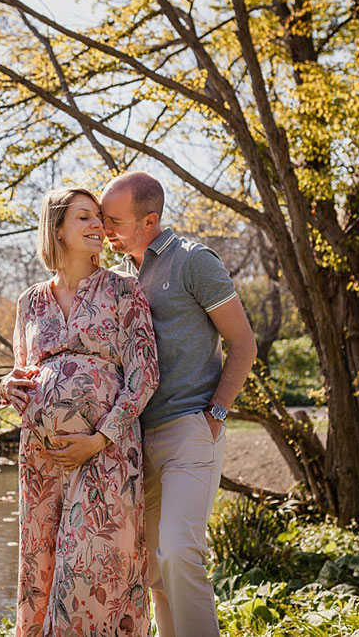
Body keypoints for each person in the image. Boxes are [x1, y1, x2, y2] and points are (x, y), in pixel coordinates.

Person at [101, 171, 257, 637]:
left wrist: (216, 414)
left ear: (149, 220)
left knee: (180, 552)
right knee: (151, 566)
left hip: (190, 427)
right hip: (136, 440)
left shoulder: (194, 262)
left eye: (115, 220)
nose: (105, 228)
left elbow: (244, 344)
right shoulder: (122, 277)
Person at [0, 187, 159, 636]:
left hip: (105, 452)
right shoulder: (30, 301)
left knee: (90, 571)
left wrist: (100, 437)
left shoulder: (122, 289)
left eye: (99, 218)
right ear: (57, 229)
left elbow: (144, 373)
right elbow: (22, 370)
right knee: (41, 567)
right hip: (41, 456)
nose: (97, 226)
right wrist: (8, 385)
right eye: (84, 218)